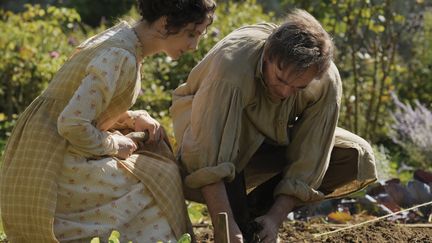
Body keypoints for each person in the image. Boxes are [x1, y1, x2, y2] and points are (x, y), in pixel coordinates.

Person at [0, 0, 215, 242]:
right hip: (48, 162)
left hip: (47, 145)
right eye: (191, 34)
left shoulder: (123, 39)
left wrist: (133, 119)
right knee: (156, 178)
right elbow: (72, 123)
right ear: (166, 23)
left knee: (157, 168)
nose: (194, 45)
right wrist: (113, 144)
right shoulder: (119, 54)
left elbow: (85, 105)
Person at [170, 9, 377, 243]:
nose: (285, 92)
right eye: (279, 79)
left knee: (355, 155)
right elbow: (208, 151)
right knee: (231, 227)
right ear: (267, 55)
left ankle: (255, 217)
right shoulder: (232, 67)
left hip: (271, 137)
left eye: (298, 88)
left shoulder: (325, 81)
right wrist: (223, 225)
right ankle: (237, 218)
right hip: (213, 138)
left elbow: (313, 152)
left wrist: (274, 219)